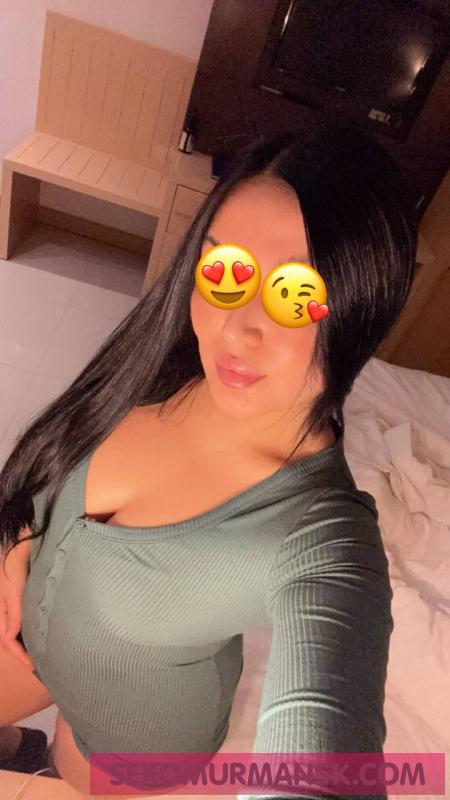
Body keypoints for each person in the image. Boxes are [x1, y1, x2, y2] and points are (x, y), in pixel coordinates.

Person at [0, 122, 417, 798]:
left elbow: (325, 748)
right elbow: (51, 468)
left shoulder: (323, 535)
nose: (237, 327)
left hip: (132, 738)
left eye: (295, 294)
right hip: (29, 643)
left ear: (359, 310)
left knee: (67, 769)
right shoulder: (157, 365)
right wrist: (21, 537)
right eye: (224, 272)